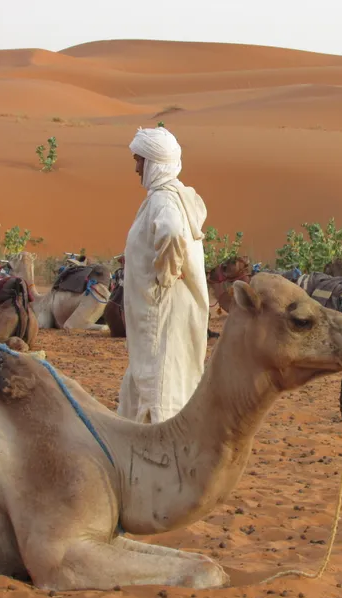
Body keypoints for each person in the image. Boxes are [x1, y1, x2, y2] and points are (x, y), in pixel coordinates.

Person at [117, 127, 210, 424]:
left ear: (154, 163)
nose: (136, 168)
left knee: (159, 382)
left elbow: (170, 232)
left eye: (140, 160)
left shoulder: (164, 200)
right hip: (161, 308)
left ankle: (160, 449)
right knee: (155, 375)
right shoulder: (172, 195)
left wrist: (165, 275)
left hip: (161, 308)